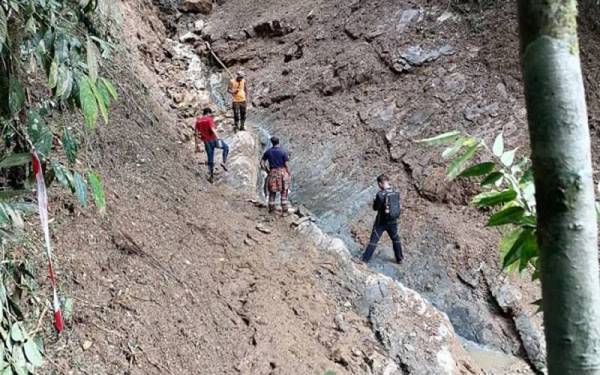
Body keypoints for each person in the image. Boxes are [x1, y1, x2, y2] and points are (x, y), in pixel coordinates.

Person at [361, 174, 404, 264]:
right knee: (395, 238)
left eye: (378, 184)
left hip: (381, 222)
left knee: (374, 240)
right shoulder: (396, 191)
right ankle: (399, 259)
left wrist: (375, 201)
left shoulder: (380, 194)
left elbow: (375, 208)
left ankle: (364, 260)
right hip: (393, 221)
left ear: (380, 183)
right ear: (387, 181)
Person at [195, 108, 229, 183]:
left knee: (210, 158)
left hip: (206, 142)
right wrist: (219, 138)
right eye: (210, 113)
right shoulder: (209, 119)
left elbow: (196, 133)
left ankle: (211, 176)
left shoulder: (198, 121)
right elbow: (213, 129)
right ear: (208, 113)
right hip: (213, 139)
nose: (211, 115)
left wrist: (197, 144)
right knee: (226, 147)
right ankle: (223, 162)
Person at [260, 136, 291, 215]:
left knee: (272, 192)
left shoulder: (268, 151)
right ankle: (284, 211)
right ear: (278, 142)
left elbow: (262, 162)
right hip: (282, 173)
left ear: (272, 142)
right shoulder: (283, 152)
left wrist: (267, 170)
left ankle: (271, 210)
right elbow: (286, 165)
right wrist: (289, 173)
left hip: (272, 173)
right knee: (284, 192)